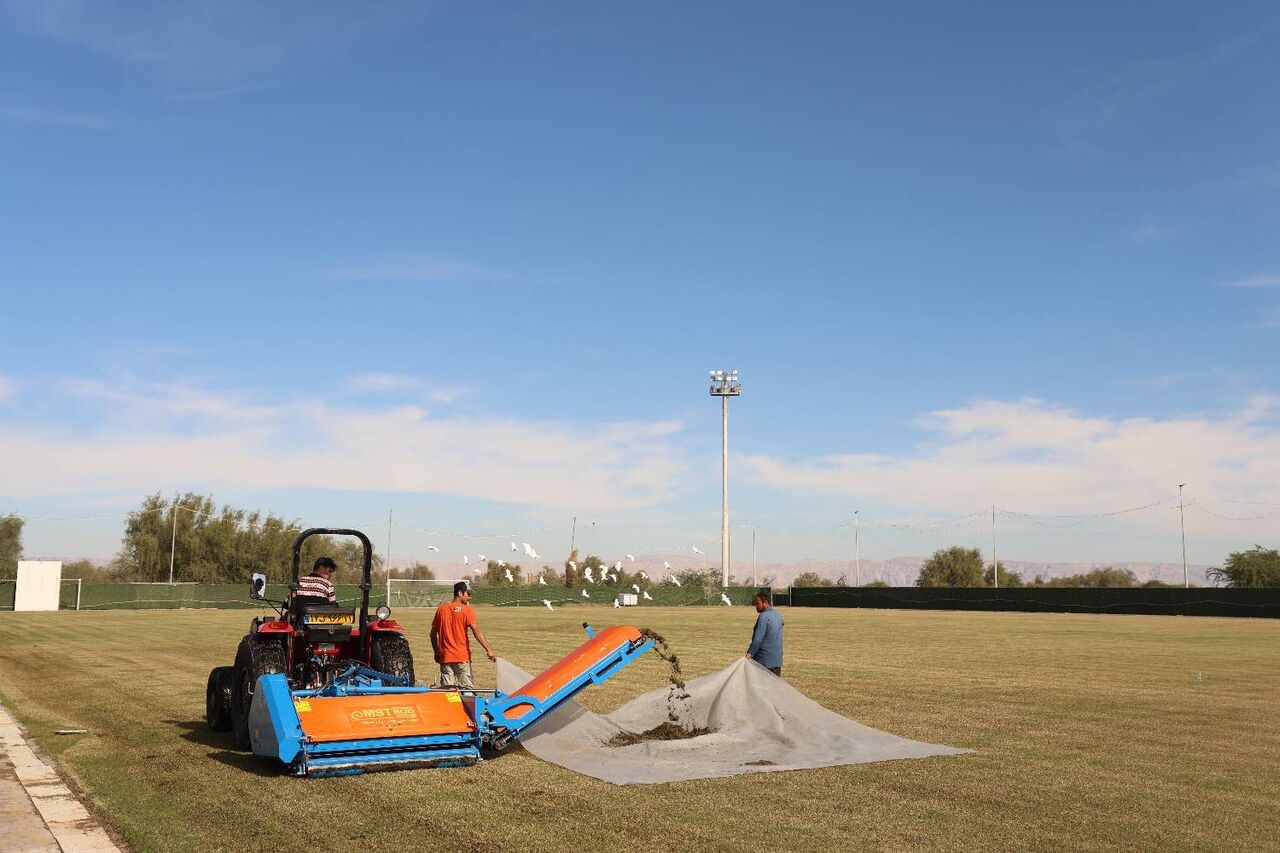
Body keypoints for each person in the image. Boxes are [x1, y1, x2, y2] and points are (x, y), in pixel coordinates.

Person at [430, 581, 496, 689]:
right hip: (462, 658)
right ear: (460, 593)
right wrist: (489, 650)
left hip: (445, 658)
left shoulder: (441, 610)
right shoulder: (467, 610)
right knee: (467, 692)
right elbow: (476, 631)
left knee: (447, 693)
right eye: (468, 594)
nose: (469, 597)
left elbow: (433, 633)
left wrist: (436, 652)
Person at [745, 589, 783, 676]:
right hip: (777, 660)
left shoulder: (763, 617)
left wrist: (750, 653)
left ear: (765, 602)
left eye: (757, 603)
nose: (756, 606)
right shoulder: (778, 615)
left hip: (763, 661)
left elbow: (758, 639)